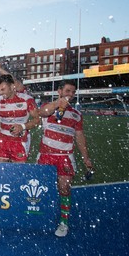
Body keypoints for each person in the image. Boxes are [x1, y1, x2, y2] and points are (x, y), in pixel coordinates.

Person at [37, 80, 95, 237]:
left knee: (64, 188)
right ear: (60, 91)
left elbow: (80, 137)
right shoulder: (50, 108)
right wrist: (58, 103)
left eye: (73, 92)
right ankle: (41, 216)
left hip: (65, 157)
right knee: (42, 188)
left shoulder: (76, 115)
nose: (71, 94)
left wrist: (86, 158)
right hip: (46, 156)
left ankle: (64, 222)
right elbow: (42, 112)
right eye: (68, 91)